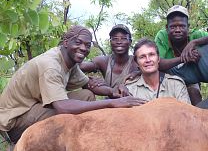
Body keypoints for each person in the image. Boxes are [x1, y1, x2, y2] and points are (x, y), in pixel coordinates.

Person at [0, 25, 146, 144]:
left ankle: (76, 143)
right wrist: (110, 104)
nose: (83, 48)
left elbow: (89, 85)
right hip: (14, 121)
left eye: (87, 45)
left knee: (87, 95)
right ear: (66, 42)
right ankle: (32, 146)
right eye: (78, 42)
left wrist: (112, 92)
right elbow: (62, 107)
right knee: (67, 113)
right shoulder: (51, 65)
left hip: (34, 108)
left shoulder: (69, 63)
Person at [155, 5, 208, 105]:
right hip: (167, 78)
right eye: (173, 27)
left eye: (182, 26)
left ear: (188, 27)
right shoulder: (162, 36)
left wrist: (194, 43)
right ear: (167, 28)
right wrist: (183, 58)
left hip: (191, 79)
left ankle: (197, 115)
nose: (177, 30)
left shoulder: (196, 35)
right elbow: (158, 63)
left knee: (194, 92)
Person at [125, 38, 191, 104]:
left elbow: (187, 113)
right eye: (142, 57)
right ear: (136, 62)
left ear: (158, 58)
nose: (148, 60)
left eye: (151, 55)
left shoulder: (175, 84)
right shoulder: (130, 89)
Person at [80, 24, 137, 97]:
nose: (119, 42)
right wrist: (89, 80)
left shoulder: (136, 62)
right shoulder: (103, 61)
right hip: (109, 104)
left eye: (123, 38)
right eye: (115, 38)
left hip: (133, 103)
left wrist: (138, 73)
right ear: (110, 42)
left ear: (130, 41)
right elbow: (80, 67)